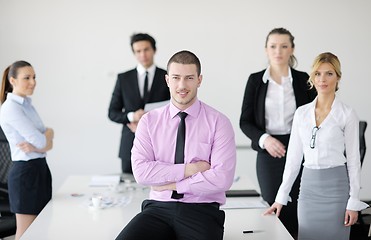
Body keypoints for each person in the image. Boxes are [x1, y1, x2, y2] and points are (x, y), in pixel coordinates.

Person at [115, 50, 236, 240]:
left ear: (199, 80)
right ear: (167, 80)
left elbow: (222, 179)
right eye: (176, 77)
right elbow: (141, 172)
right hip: (158, 209)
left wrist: (174, 184)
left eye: (189, 78)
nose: (182, 85)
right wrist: (192, 169)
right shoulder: (149, 121)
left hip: (202, 210)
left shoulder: (219, 122)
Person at [264, 52, 369, 239]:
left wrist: (353, 201)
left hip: (337, 191)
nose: (322, 79)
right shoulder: (301, 114)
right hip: (308, 191)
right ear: (312, 77)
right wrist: (281, 196)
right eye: (318, 74)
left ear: (338, 77)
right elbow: (293, 160)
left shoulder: (347, 114)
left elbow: (353, 161)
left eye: (329, 73)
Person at [239, 27, 316, 237]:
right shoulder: (255, 80)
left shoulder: (304, 80)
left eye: (284, 46)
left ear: (292, 49)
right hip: (268, 151)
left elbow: (316, 117)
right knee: (275, 204)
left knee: (298, 205)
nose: (278, 51)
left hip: (300, 150)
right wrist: (265, 140)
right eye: (273, 46)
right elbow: (245, 121)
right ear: (266, 49)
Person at [0, 61, 54, 240]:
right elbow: (41, 140)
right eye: (27, 78)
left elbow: (47, 138)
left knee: (41, 230)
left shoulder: (27, 105)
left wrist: (46, 137)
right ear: (13, 80)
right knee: (26, 234)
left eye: (34, 77)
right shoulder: (10, 108)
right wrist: (45, 139)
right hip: (25, 175)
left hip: (40, 169)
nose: (33, 82)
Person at [108, 33, 170, 174]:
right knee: (128, 189)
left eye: (146, 49)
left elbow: (175, 110)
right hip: (130, 144)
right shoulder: (123, 78)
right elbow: (112, 112)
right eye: (138, 51)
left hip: (161, 145)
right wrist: (132, 116)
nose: (143, 54)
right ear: (134, 53)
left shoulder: (167, 76)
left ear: (154, 50)